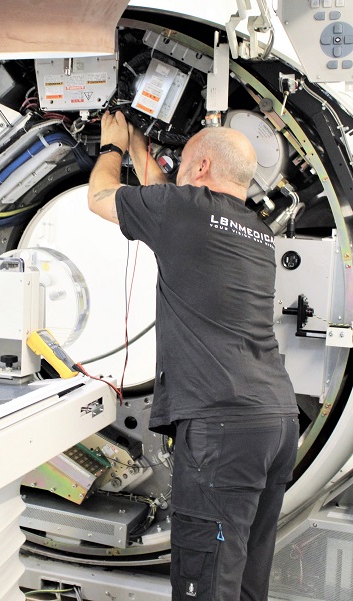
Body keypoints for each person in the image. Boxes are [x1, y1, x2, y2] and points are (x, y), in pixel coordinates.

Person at [87, 111, 299, 601]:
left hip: (221, 429)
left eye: (182, 163)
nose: (176, 172)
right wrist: (142, 149)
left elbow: (99, 198)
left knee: (204, 584)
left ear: (200, 166)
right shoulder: (256, 231)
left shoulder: (181, 211)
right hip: (275, 422)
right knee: (243, 578)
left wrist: (112, 148)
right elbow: (170, 194)